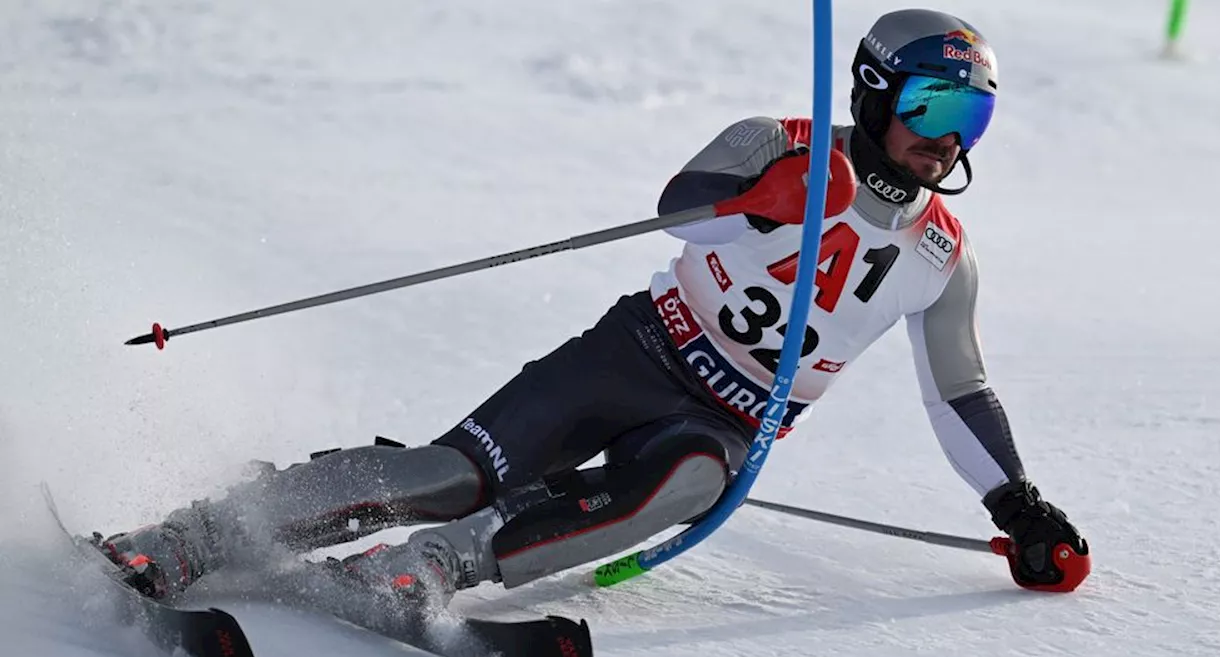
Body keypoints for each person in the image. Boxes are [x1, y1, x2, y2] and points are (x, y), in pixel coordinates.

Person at [95, 9, 1090, 615]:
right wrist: (765, 195)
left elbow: (958, 390)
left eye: (968, 120)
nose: (942, 141)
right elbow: (679, 207)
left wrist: (1020, 508)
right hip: (639, 352)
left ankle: (426, 571)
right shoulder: (781, 145)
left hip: (729, 420)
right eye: (930, 110)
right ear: (874, 96)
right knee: (452, 472)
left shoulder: (939, 257)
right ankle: (196, 534)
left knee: (691, 479)